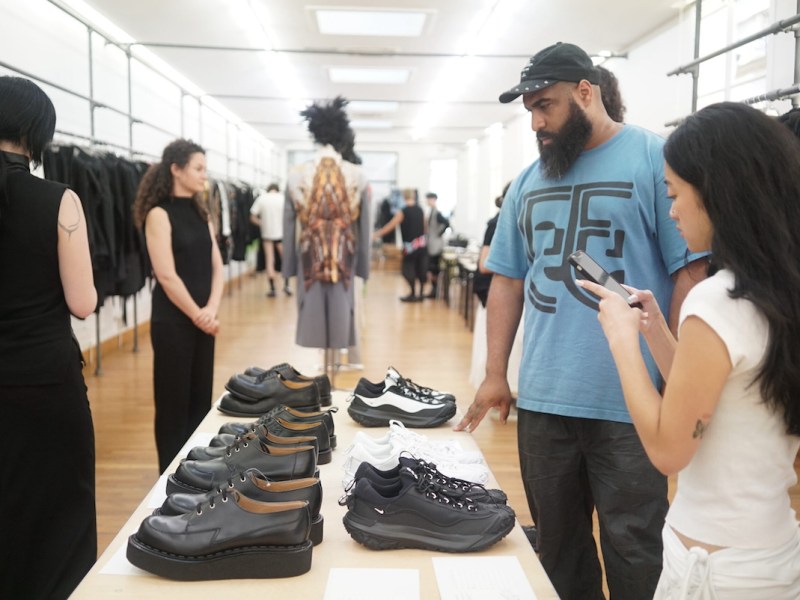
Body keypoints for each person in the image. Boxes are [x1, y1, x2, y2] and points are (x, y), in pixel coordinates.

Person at [454, 42, 707, 600]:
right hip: (544, 400)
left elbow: (689, 273)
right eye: (530, 111)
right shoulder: (528, 181)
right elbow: (507, 280)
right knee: (558, 551)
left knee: (635, 549)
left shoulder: (653, 158)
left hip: (632, 401)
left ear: (586, 93)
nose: (536, 123)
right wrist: (495, 373)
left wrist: (681, 376)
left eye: (545, 106)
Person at [579, 101, 800, 598]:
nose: (672, 210)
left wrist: (622, 341)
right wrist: (654, 328)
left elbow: (668, 450)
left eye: (676, 194)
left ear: (719, 192)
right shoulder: (775, 291)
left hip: (713, 572)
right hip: (770, 555)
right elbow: (721, 400)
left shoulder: (717, 299)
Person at [0, 76, 97, 599]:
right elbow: (83, 303)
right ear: (37, 132)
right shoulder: (59, 200)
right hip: (43, 379)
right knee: (61, 511)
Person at [133, 139, 224, 474]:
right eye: (198, 168)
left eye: (204, 169)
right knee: (173, 405)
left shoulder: (203, 212)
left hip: (205, 320)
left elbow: (217, 266)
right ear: (176, 169)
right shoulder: (158, 214)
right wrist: (199, 315)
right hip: (173, 322)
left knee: (200, 401)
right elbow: (166, 275)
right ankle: (170, 479)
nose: (204, 175)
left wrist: (210, 309)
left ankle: (197, 474)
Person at [283, 97, 371, 367]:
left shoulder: (296, 174)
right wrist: (363, 269)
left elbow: (289, 226)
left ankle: (327, 371)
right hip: (346, 261)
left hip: (308, 260)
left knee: (313, 318)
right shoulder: (357, 175)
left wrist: (289, 269)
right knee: (342, 317)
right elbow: (365, 228)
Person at [373, 189, 428, 302]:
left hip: (410, 247)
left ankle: (413, 293)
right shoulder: (420, 210)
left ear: (404, 197)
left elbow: (390, 226)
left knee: (407, 270)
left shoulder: (402, 212)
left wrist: (376, 234)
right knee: (420, 269)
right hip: (421, 245)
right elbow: (425, 226)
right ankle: (421, 293)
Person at [250, 182, 290, 297]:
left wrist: (262, 223)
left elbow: (252, 217)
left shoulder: (262, 198)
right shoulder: (282, 199)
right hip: (281, 234)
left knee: (269, 260)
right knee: (285, 259)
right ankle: (286, 285)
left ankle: (272, 288)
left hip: (267, 234)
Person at [423, 191, 450, 299]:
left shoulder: (437, 213)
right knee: (431, 268)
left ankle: (435, 291)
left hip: (436, 246)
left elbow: (447, 223)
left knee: (434, 268)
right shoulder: (432, 212)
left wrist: (439, 233)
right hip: (432, 244)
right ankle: (434, 289)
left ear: (433, 199)